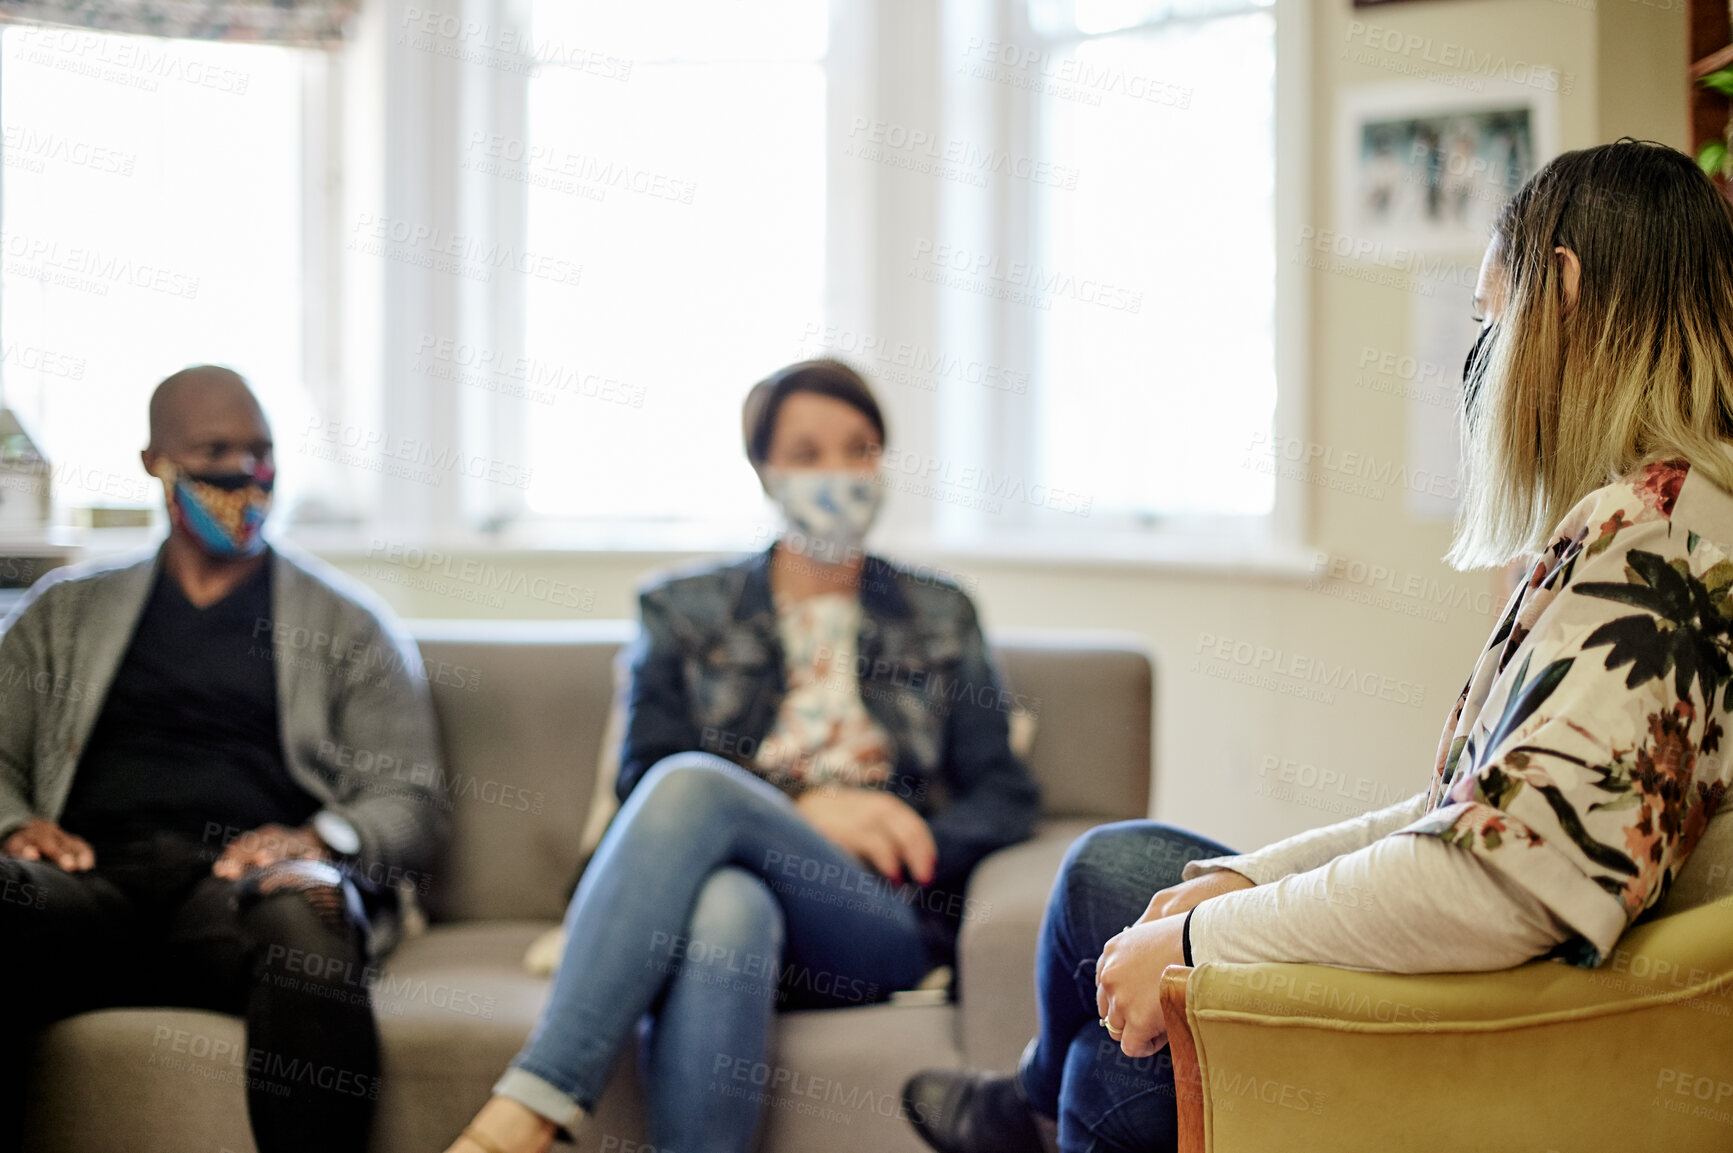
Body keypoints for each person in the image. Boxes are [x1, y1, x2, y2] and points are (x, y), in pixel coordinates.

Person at [902, 138, 1733, 1153]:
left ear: (1557, 294)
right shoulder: (1666, 517)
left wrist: (1201, 935)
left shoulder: (1656, 546)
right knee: (1111, 876)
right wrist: (1248, 880)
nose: (1478, 359)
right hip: (1509, 994)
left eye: (1485, 319)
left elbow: (1494, 882)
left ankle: (1025, 1107)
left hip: (1494, 1042)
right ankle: (1024, 1110)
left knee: (1106, 1020)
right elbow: (1466, 815)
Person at [447, 360, 1041, 1153]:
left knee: (696, 787)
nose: (837, 474)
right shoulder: (682, 610)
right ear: (763, 469)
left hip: (870, 915)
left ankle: (533, 1107)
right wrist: (805, 810)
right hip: (713, 899)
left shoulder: (941, 610)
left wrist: (901, 827)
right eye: (806, 453)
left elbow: (1004, 791)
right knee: (728, 901)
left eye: (857, 449)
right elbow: (642, 772)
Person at [0, 366, 448, 1153]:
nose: (246, 473)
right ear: (155, 461)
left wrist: (322, 841)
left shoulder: (347, 625)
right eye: (216, 449)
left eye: (262, 451)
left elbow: (409, 797)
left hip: (238, 890)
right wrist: (12, 827)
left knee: (309, 912)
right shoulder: (62, 613)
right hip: (86, 886)